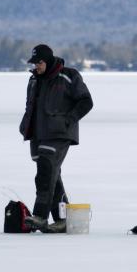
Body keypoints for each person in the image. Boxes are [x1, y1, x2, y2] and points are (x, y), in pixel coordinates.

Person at [19, 44, 94, 233]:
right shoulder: (34, 80)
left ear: (48, 60)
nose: (36, 66)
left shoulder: (69, 76)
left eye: (39, 62)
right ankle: (62, 219)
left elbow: (86, 101)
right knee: (52, 175)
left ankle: (40, 216)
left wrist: (68, 120)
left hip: (59, 134)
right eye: (34, 63)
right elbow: (30, 107)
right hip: (37, 134)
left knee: (45, 171)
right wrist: (25, 126)